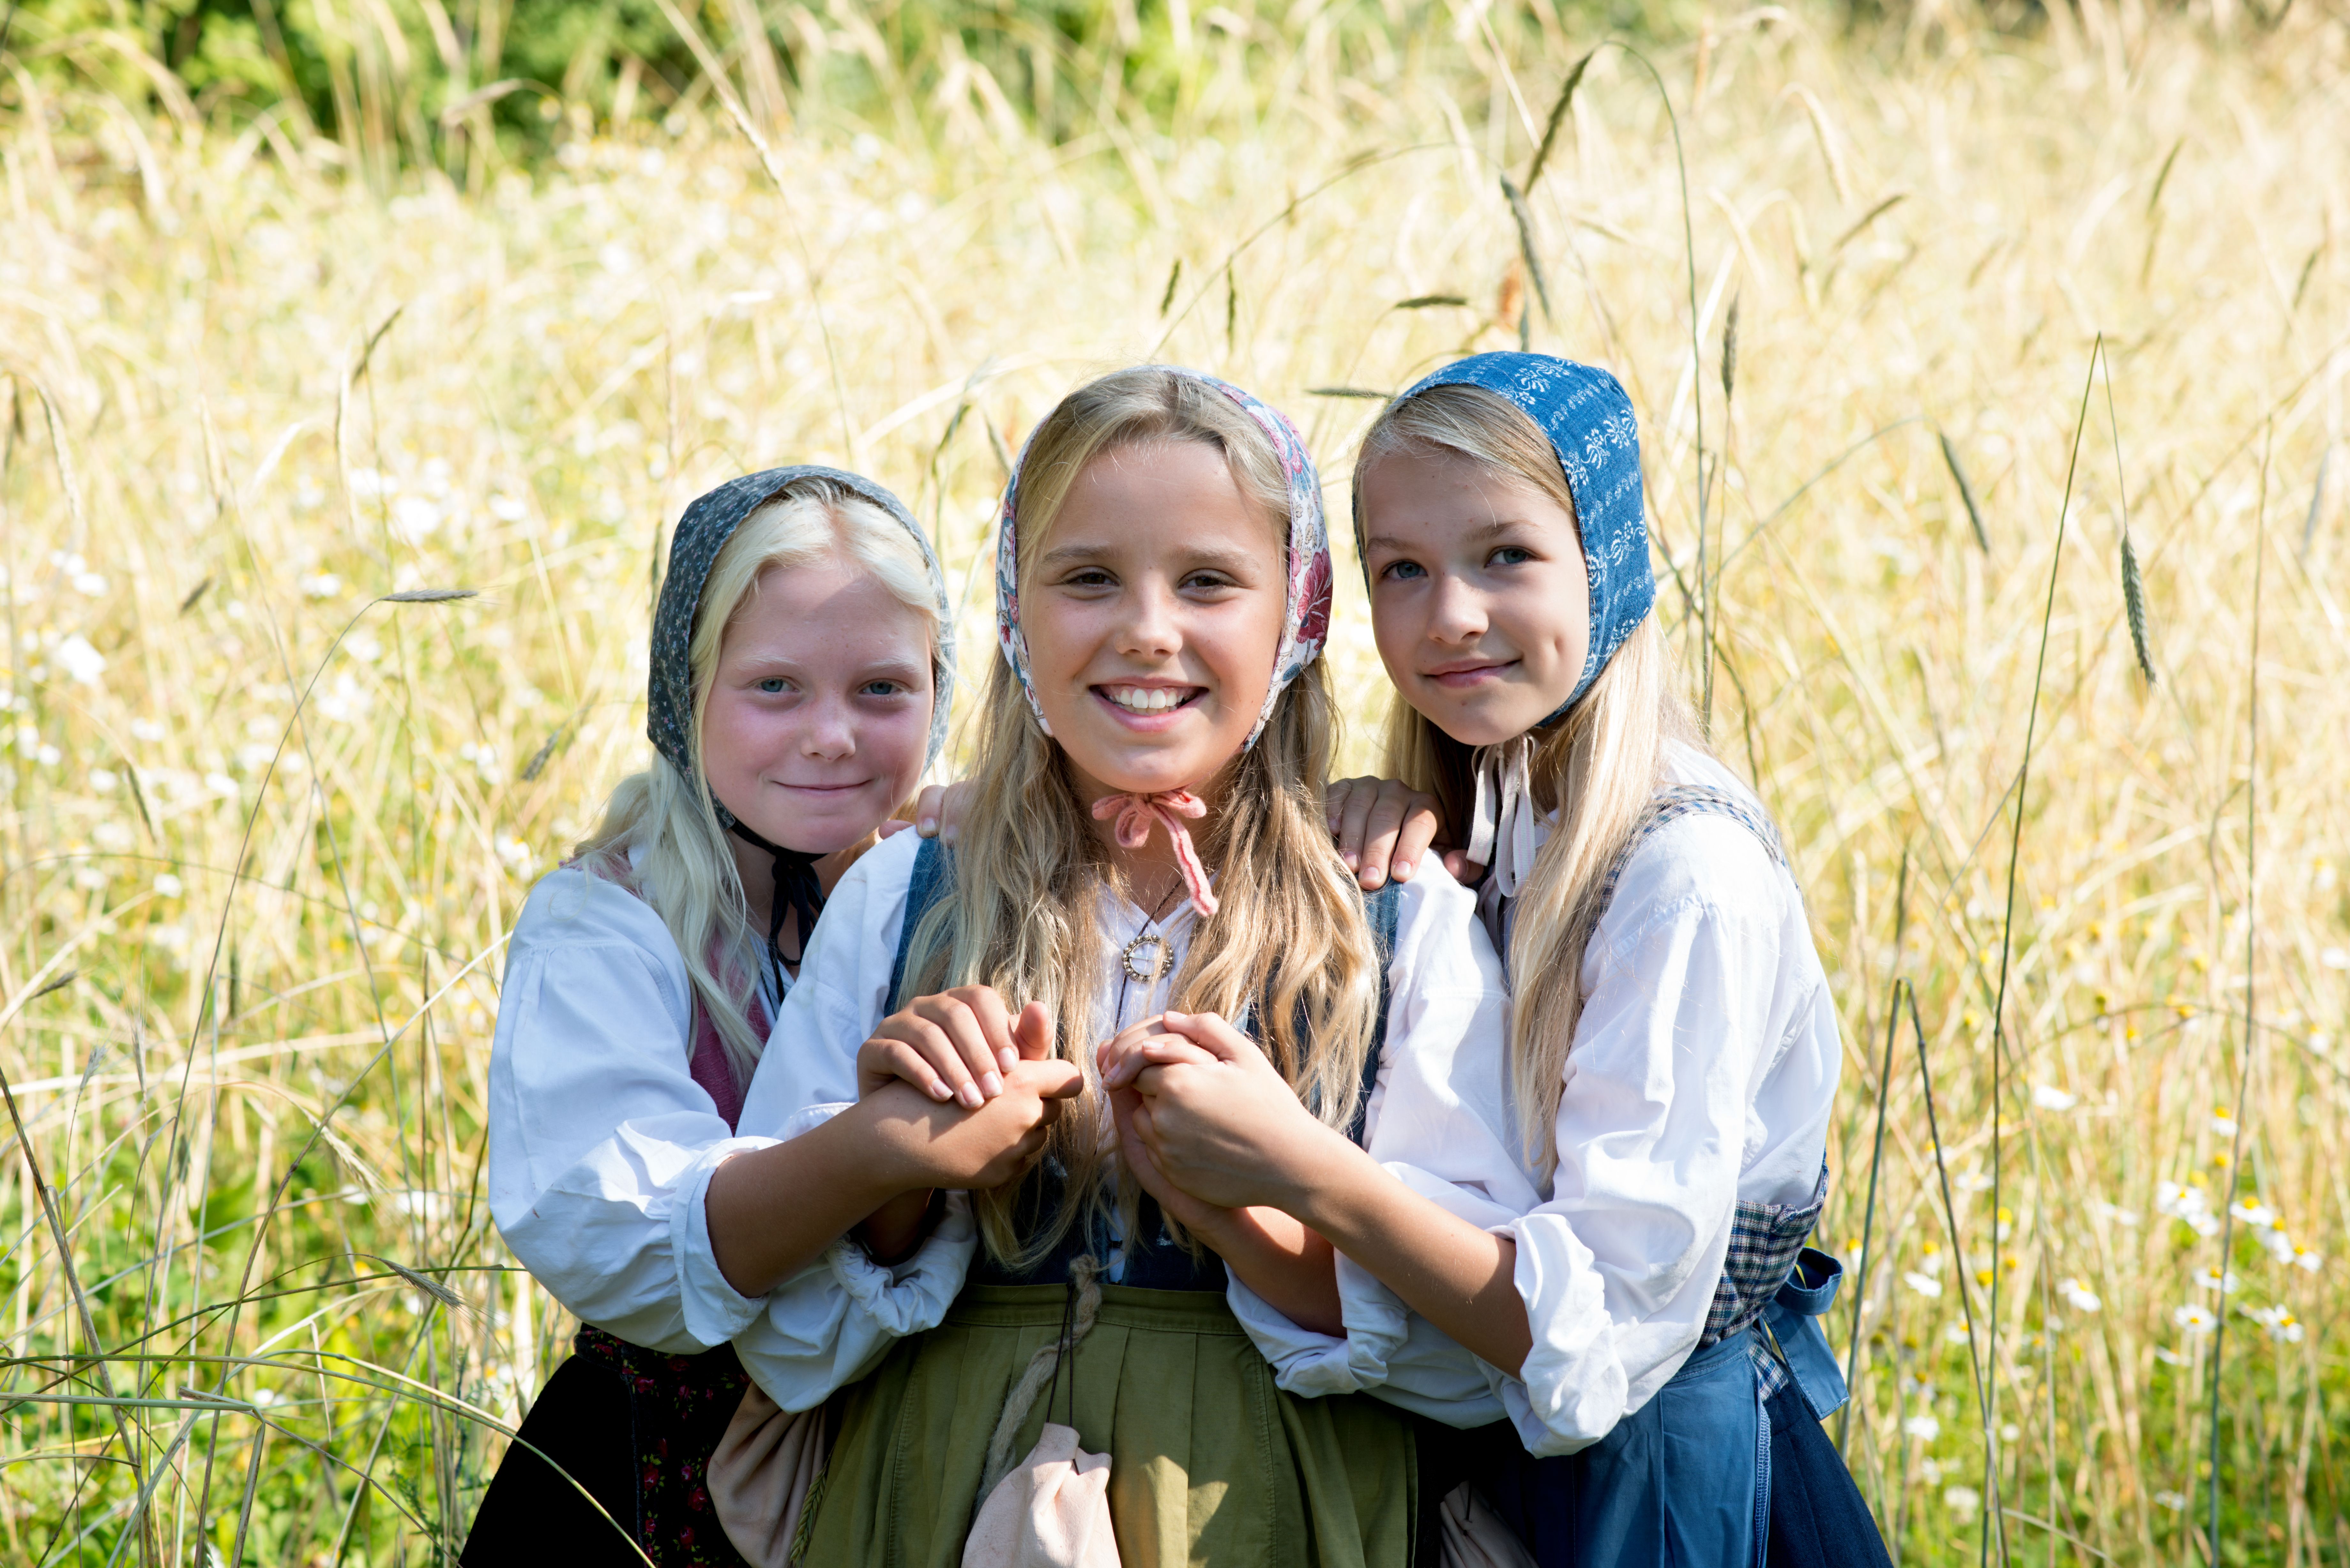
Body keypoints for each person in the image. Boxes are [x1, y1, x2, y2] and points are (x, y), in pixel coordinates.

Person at [1107, 352, 1877, 1565]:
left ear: (1606, 564)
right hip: (1504, 1469)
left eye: (1505, 556)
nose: (1450, 614)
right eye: (1401, 570)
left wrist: (1299, 1166)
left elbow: (1606, 1331)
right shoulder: (1503, 811)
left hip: (1668, 1484)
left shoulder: (1684, 877)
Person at [749, 365, 1513, 1566]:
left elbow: (1476, 1349)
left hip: (1266, 1497)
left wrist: (1257, 1209)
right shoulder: (903, 894)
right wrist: (896, 1158)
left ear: (1296, 619)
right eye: (1089, 578)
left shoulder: (1390, 915)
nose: (1147, 629)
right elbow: (787, 1323)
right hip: (944, 1473)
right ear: (1015, 611)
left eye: (1208, 582)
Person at [469, 466, 1075, 1565]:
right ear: (683, 692)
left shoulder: (951, 880)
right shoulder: (612, 923)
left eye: (884, 691)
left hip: (928, 1452)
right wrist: (885, 1148)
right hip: (656, 1485)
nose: (833, 736)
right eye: (776, 688)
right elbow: (631, 1248)